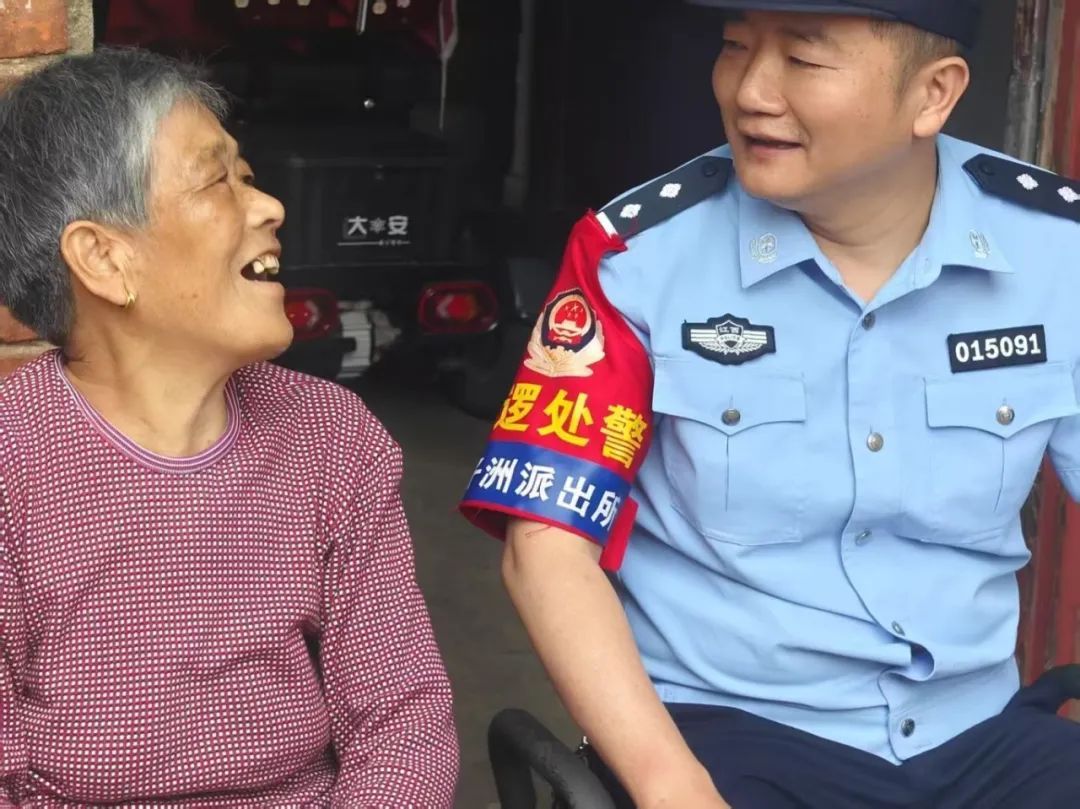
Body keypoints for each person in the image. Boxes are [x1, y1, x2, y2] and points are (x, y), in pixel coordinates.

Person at [460, 1, 1080, 807]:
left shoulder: (1057, 252)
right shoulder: (637, 259)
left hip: (979, 734)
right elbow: (546, 544)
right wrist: (667, 781)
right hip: (728, 736)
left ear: (934, 93)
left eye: (803, 59)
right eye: (735, 47)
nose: (750, 91)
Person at [0, 48, 458, 807]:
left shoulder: (331, 436)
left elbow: (402, 722)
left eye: (247, 176)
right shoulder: (13, 463)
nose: (270, 206)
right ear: (104, 258)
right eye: (217, 181)